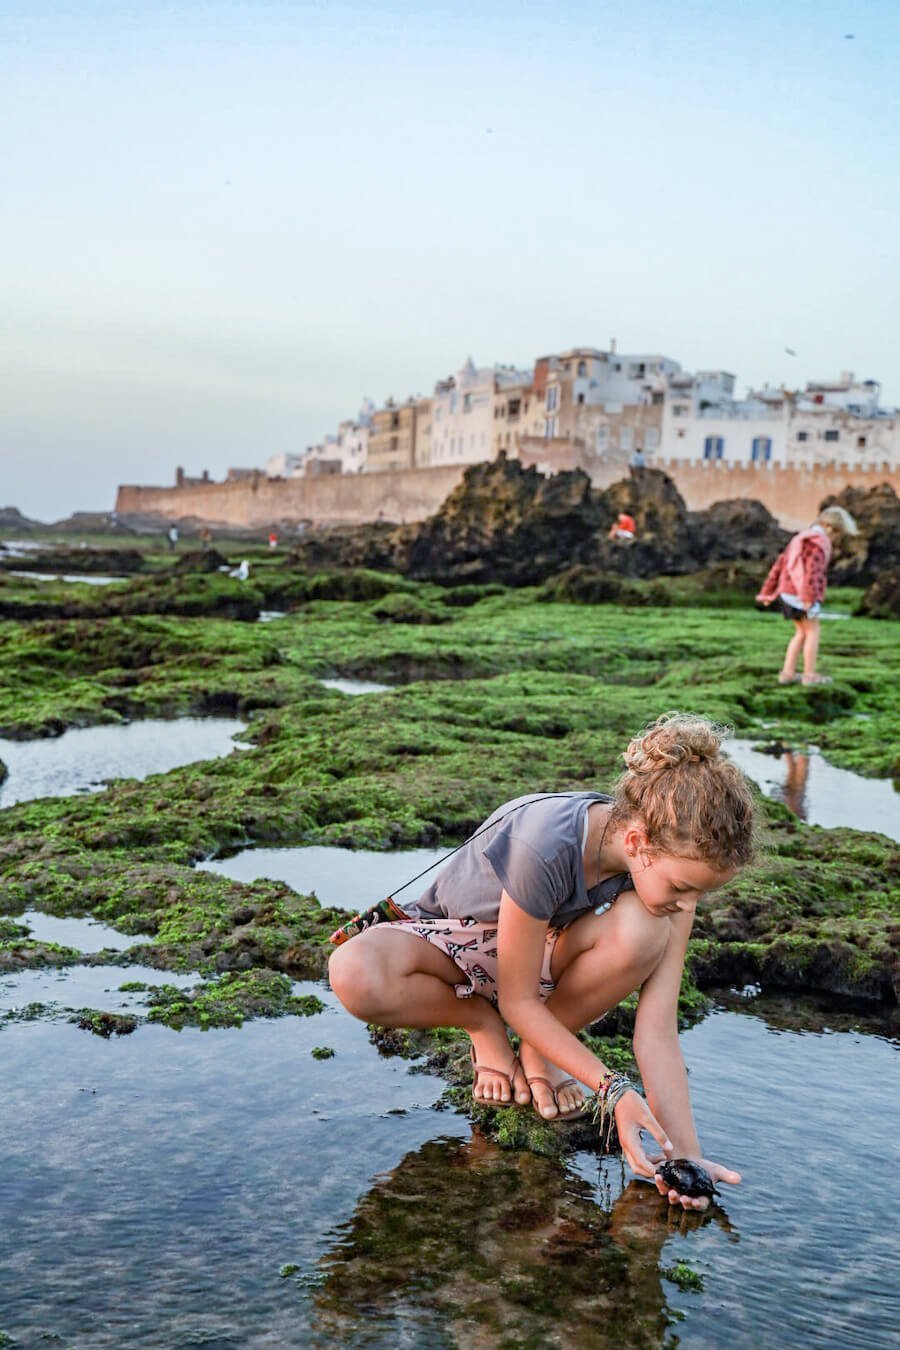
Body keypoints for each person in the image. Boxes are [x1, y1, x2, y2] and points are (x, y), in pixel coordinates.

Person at [330, 713, 753, 1210]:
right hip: (456, 944)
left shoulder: (672, 874)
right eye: (683, 888)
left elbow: (656, 1031)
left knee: (645, 928)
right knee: (353, 972)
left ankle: (540, 1050)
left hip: (547, 958)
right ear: (638, 843)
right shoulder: (546, 843)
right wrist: (613, 1091)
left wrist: (682, 1159)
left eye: (697, 893)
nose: (688, 904)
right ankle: (480, 1024)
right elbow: (517, 997)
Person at [755, 505, 858, 686]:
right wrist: (810, 598)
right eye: (837, 534)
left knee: (801, 632)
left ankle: (787, 674)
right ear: (828, 526)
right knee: (813, 631)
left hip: (787, 594)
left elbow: (779, 565)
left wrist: (766, 592)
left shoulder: (799, 539)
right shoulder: (818, 543)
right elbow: (813, 572)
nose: (835, 539)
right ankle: (809, 676)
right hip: (801, 595)